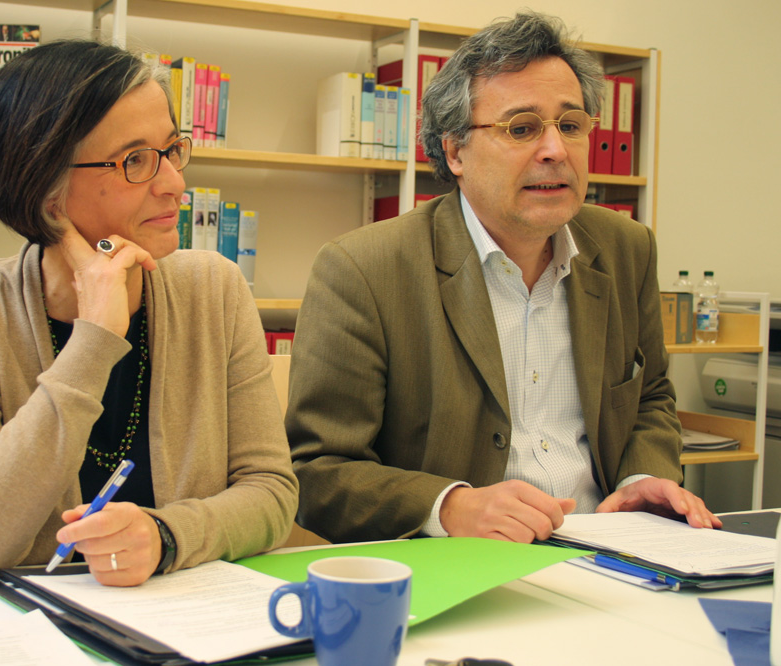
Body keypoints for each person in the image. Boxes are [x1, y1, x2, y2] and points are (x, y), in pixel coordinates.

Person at [286, 11, 719, 545]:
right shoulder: (364, 269)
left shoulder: (626, 248)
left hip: (609, 549)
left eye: (570, 125)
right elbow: (318, 471)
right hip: (459, 564)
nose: (555, 150)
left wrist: (642, 479)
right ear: (455, 150)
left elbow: (649, 398)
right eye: (522, 128)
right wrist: (449, 508)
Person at [0, 40, 297, 587]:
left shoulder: (215, 290)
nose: (175, 184)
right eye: (135, 161)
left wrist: (166, 535)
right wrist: (92, 344)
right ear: (47, 193)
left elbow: (271, 493)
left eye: (171, 150)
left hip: (164, 617)